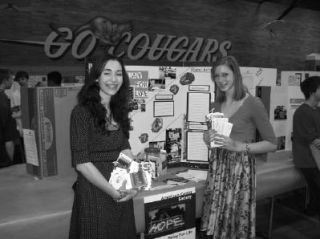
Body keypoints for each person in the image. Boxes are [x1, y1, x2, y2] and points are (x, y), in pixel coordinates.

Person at [200, 56, 277, 239]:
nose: (221, 80)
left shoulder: (253, 103)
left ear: (236, 74)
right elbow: (215, 141)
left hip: (239, 170)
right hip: (218, 168)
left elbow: (272, 143)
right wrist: (207, 137)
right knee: (218, 223)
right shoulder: (215, 105)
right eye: (217, 75)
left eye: (225, 74)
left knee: (234, 224)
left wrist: (240, 146)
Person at [69, 54, 138, 239]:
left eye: (118, 73)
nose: (113, 79)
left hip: (119, 186)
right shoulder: (82, 112)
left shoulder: (118, 109)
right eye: (107, 73)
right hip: (95, 190)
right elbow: (81, 162)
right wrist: (113, 191)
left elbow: (125, 149)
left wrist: (133, 183)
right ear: (96, 77)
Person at [292, 76, 320, 220]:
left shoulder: (317, 110)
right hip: (307, 159)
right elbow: (314, 142)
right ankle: (310, 210)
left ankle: (311, 210)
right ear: (312, 91)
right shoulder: (302, 112)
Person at [0, 69, 20, 168]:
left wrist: (11, 110)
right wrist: (10, 164)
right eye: (11, 79)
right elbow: (8, 137)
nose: (13, 81)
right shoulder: (2, 98)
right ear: (5, 81)